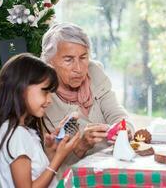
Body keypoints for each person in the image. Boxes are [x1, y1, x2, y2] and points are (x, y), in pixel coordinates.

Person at [41, 23, 133, 165]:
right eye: (68, 60)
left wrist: (126, 129)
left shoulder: (95, 73)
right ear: (50, 62)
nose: (78, 68)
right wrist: (81, 146)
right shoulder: (43, 100)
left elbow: (117, 114)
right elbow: (50, 166)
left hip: (112, 166)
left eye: (83, 57)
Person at [0, 53, 79, 188]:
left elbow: (35, 173)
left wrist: (50, 154)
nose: (50, 100)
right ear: (21, 88)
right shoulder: (17, 135)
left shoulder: (12, 129)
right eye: (45, 92)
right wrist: (58, 158)